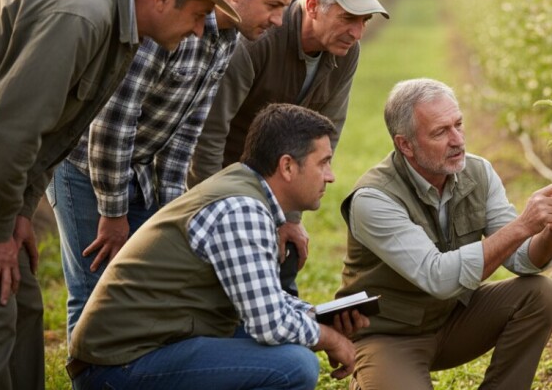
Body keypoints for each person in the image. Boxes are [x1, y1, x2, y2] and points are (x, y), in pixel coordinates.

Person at [0, 0, 237, 390]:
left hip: (7, 174)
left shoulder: (119, 28)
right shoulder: (82, 17)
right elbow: (12, 133)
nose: (200, 29)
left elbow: (55, 134)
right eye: (199, 14)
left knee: (23, 299)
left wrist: (21, 213)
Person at [47, 0, 304, 339]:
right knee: (94, 286)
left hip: (140, 171)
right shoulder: (163, 28)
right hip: (87, 168)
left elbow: (187, 130)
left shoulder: (228, 38)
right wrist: (113, 212)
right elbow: (114, 122)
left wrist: (169, 210)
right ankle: (91, 375)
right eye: (272, 6)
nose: (277, 21)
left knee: (136, 287)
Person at [69, 104, 364, 390]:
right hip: (118, 368)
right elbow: (270, 324)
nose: (331, 175)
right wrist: (330, 338)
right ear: (287, 166)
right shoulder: (242, 209)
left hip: (145, 350)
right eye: (323, 162)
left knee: (287, 349)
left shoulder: (243, 192)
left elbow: (264, 301)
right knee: (295, 365)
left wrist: (317, 315)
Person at [337, 78, 552, 390]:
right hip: (391, 335)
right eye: (441, 132)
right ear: (405, 145)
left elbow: (523, 260)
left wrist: (550, 231)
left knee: (542, 294)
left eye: (458, 125)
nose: (457, 140)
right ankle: (373, 375)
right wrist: (523, 225)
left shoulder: (478, 173)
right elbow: (438, 277)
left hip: (452, 321)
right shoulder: (374, 199)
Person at [189, 0, 389, 296]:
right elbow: (208, 134)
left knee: (285, 259)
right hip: (221, 177)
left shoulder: (344, 52)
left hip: (273, 182)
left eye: (365, 21)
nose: (357, 32)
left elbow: (326, 134)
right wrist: (216, 214)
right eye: (349, 18)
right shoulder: (259, 37)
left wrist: (290, 218)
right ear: (312, 5)